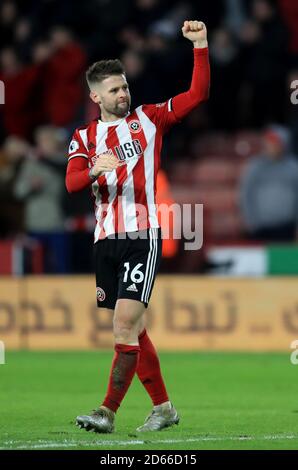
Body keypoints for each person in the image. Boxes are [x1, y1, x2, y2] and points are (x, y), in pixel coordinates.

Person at [65, 20, 210, 434]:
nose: (123, 94)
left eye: (125, 86)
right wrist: (95, 169)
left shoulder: (148, 120)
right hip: (104, 241)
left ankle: (106, 412)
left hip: (141, 235)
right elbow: (72, 182)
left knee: (124, 324)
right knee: (135, 330)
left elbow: (196, 95)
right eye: (114, 90)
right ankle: (163, 407)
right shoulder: (85, 137)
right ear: (96, 96)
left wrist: (199, 46)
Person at [240, 125, 298, 242]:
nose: (271, 146)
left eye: (275, 143)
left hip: (287, 227)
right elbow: (246, 195)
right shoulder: (255, 166)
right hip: (260, 228)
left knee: (283, 260)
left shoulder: (293, 167)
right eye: (269, 142)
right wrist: (251, 221)